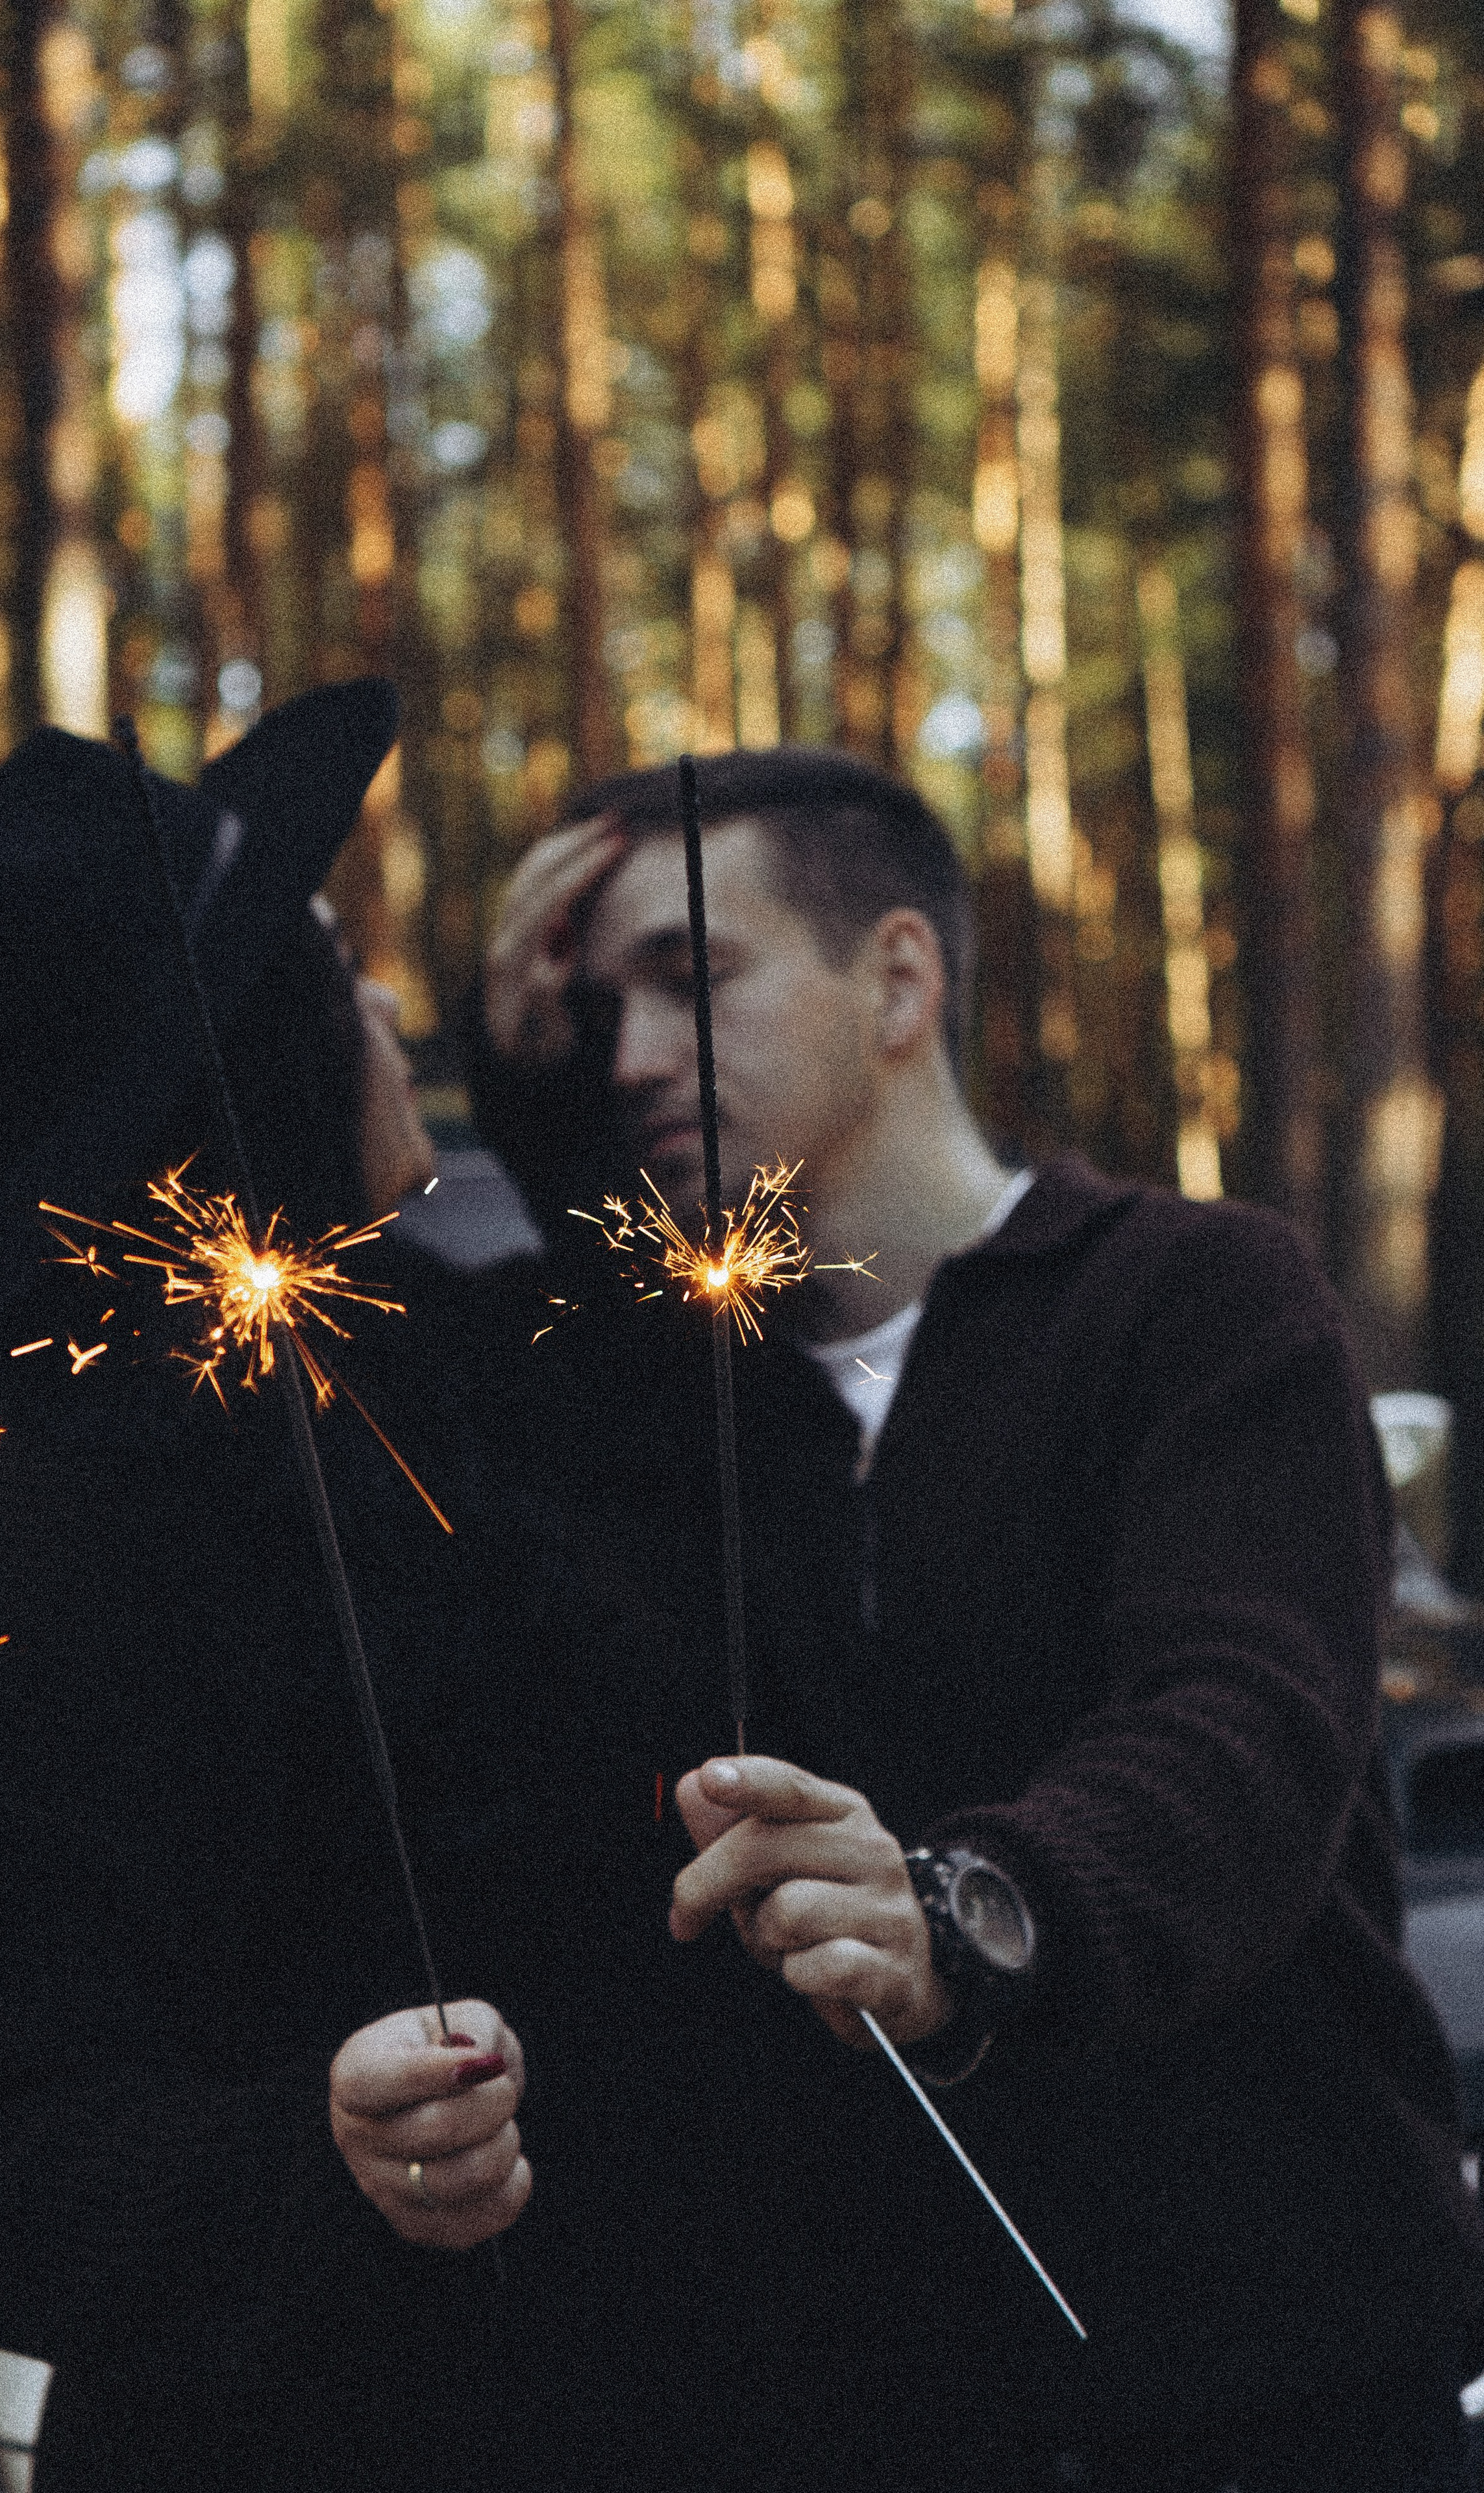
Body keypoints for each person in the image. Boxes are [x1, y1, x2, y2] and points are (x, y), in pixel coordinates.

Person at [464, 744, 1484, 2491]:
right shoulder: (667, 1401)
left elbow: (1242, 1723)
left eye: (692, 980)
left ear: (899, 980)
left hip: (1272, 2369)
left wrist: (975, 1911)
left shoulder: (1193, 1299)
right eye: (591, 1015)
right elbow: (527, 1317)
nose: (631, 1056)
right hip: (866, 2398)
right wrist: (516, 1084)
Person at [0, 690, 625, 2493]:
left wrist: (552, 1064)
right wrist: (314, 2158)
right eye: (333, 968)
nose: (388, 1011)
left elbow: (624, 1372)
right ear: (245, 1051)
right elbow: (6, 2174)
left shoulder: (390, 1383)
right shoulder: (7, 1554)